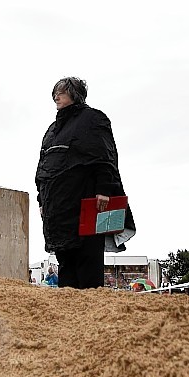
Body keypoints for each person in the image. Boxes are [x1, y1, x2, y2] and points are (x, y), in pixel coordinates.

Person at [35, 77, 135, 289]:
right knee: (65, 261)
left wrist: (104, 189)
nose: (56, 96)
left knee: (87, 259)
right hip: (57, 209)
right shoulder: (52, 130)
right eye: (55, 92)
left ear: (74, 93)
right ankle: (68, 313)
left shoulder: (93, 119)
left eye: (61, 92)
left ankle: (91, 312)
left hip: (85, 203)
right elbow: (42, 168)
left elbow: (105, 156)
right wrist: (41, 200)